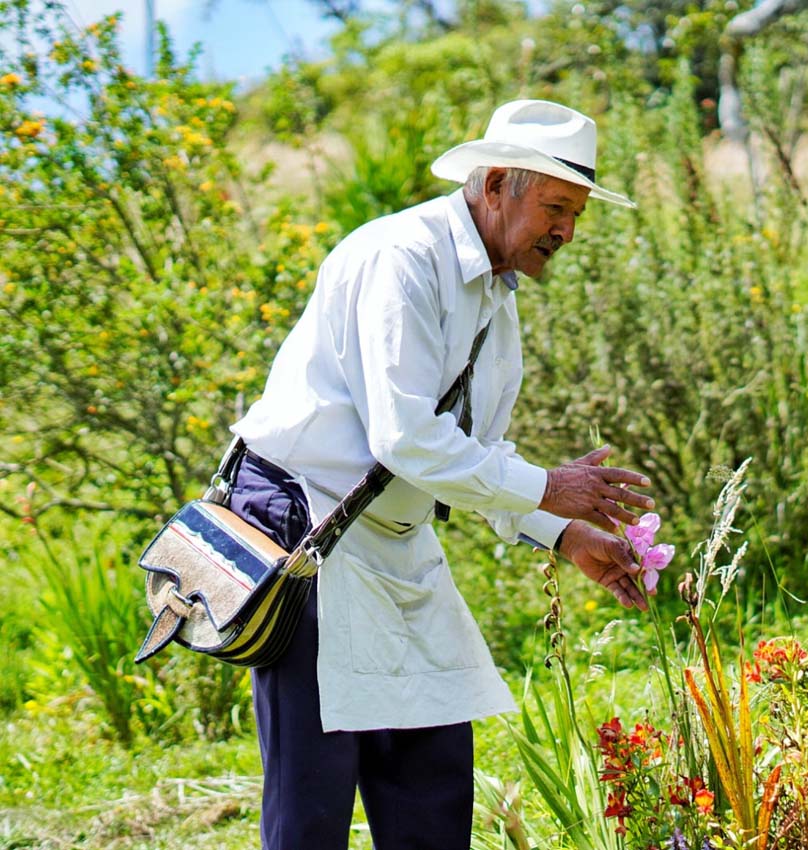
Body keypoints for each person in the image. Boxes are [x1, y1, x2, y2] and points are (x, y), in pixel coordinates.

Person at [227, 99, 653, 850]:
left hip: (393, 543)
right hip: (308, 533)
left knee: (433, 783)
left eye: (577, 213)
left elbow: (475, 450)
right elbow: (406, 439)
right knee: (311, 809)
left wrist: (565, 535)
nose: (567, 231)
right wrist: (550, 488)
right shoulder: (402, 258)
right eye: (555, 207)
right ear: (494, 186)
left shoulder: (495, 291)